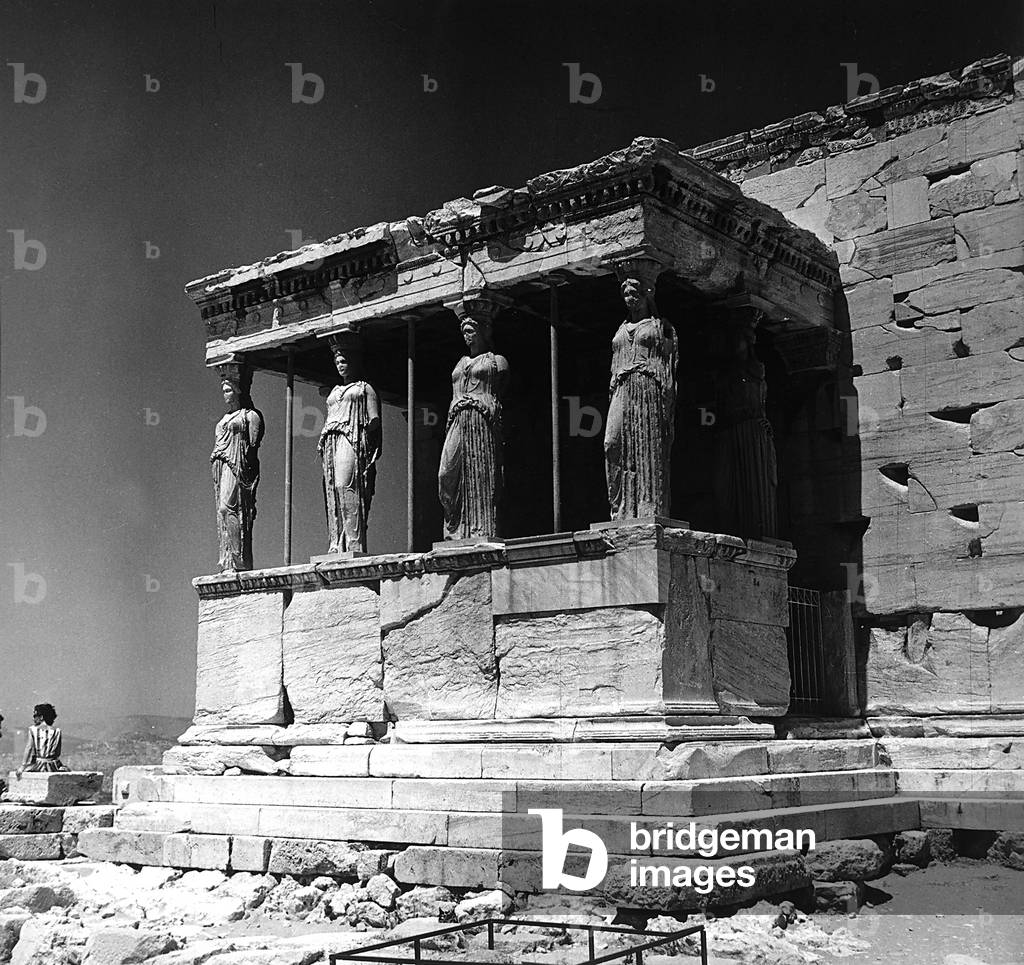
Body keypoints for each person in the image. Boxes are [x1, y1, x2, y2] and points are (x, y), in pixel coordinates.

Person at [604, 274, 678, 519]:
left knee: (648, 445)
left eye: (634, 292)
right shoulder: (620, 328)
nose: (630, 298)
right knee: (612, 443)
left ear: (647, 295)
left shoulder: (659, 326)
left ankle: (648, 506)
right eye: (625, 294)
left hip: (647, 387)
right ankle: (621, 507)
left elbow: (668, 364)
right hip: (622, 387)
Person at [438, 302, 509, 541]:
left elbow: (500, 393)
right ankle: (455, 529)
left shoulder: (497, 361)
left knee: (481, 474)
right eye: (464, 332)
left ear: (483, 331)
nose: (467, 337)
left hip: (482, 419)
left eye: (471, 331)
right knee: (446, 474)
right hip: (458, 418)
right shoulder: (460, 363)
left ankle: (482, 529)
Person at [318, 334, 382, 554]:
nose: (340, 365)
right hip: (331, 441)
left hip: (352, 438)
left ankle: (354, 541)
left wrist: (366, 446)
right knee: (332, 492)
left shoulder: (365, 389)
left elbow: (374, 421)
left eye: (344, 360)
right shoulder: (335, 391)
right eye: (337, 362)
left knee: (345, 486)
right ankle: (337, 543)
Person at [17, 703, 68, 775]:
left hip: (38, 765)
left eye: (35, 716)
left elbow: (29, 748)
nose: (33, 719)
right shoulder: (57, 731)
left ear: (41, 717)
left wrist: (23, 766)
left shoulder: (33, 730)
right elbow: (57, 752)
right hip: (54, 765)